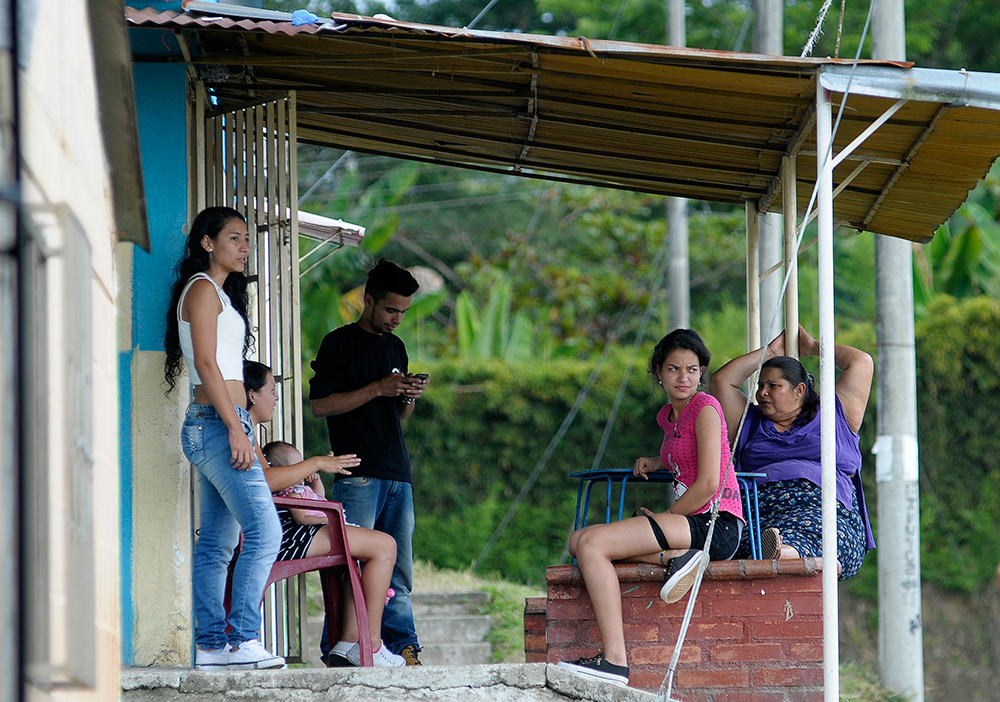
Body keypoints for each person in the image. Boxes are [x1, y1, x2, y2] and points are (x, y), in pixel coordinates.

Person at [556, 329, 744, 687]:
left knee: (594, 547)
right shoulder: (669, 418)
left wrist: (665, 518)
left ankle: (614, 662)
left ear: (702, 371)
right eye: (674, 369)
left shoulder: (706, 407)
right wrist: (657, 461)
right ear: (659, 371)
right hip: (690, 522)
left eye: (692, 369)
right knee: (578, 540)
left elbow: (707, 483)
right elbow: (685, 456)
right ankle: (673, 557)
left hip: (715, 522)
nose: (683, 377)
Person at [163, 207, 284, 671]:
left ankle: (212, 647)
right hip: (217, 424)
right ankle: (243, 639)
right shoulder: (201, 290)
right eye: (234, 238)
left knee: (217, 543)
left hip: (223, 422)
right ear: (207, 243)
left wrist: (239, 424)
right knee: (265, 531)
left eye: (247, 239)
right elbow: (209, 366)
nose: (245, 246)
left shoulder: (220, 295)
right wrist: (237, 429)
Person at [244, 361, 405, 668]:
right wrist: (316, 463)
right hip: (285, 534)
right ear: (252, 395)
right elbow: (267, 482)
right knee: (385, 546)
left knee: (360, 558)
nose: (276, 398)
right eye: (272, 391)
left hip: (278, 528)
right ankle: (369, 645)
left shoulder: (246, 432)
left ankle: (347, 644)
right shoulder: (242, 432)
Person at [308, 259, 427, 666]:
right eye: (391, 309)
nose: (397, 319)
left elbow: (400, 414)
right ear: (368, 299)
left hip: (398, 470)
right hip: (356, 471)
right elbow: (321, 405)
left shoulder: (396, 347)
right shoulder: (338, 343)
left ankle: (400, 648)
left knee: (399, 571)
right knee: (350, 564)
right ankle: (338, 651)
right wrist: (378, 387)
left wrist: (406, 396)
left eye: (404, 312)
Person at [710, 325, 876, 579]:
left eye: (773, 385)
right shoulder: (748, 422)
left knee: (827, 531)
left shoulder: (833, 414)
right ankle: (781, 550)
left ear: (799, 390)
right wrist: (769, 352)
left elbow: (861, 362)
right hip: (763, 513)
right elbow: (721, 381)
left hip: (824, 509)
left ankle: (784, 551)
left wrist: (812, 348)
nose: (762, 392)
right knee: (749, 538)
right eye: (760, 385)